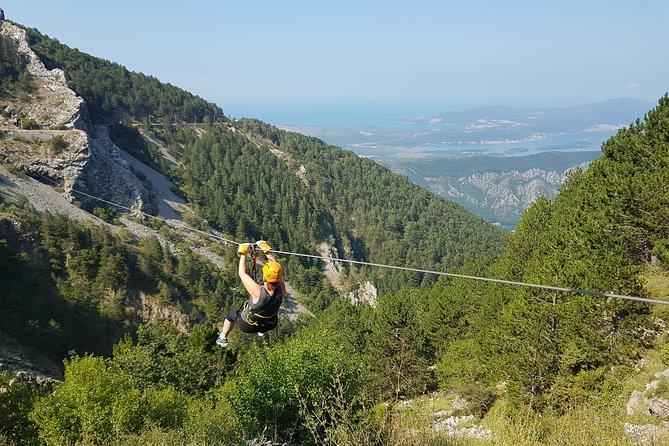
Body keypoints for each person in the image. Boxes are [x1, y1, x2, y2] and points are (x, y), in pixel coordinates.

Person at [216, 240, 285, 348]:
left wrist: (243, 252)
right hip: (270, 324)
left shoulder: (258, 292)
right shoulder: (281, 287)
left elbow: (242, 273)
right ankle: (262, 330)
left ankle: (222, 337)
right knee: (264, 315)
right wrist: (266, 250)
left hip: (248, 326)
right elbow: (276, 268)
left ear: (264, 277)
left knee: (231, 314)